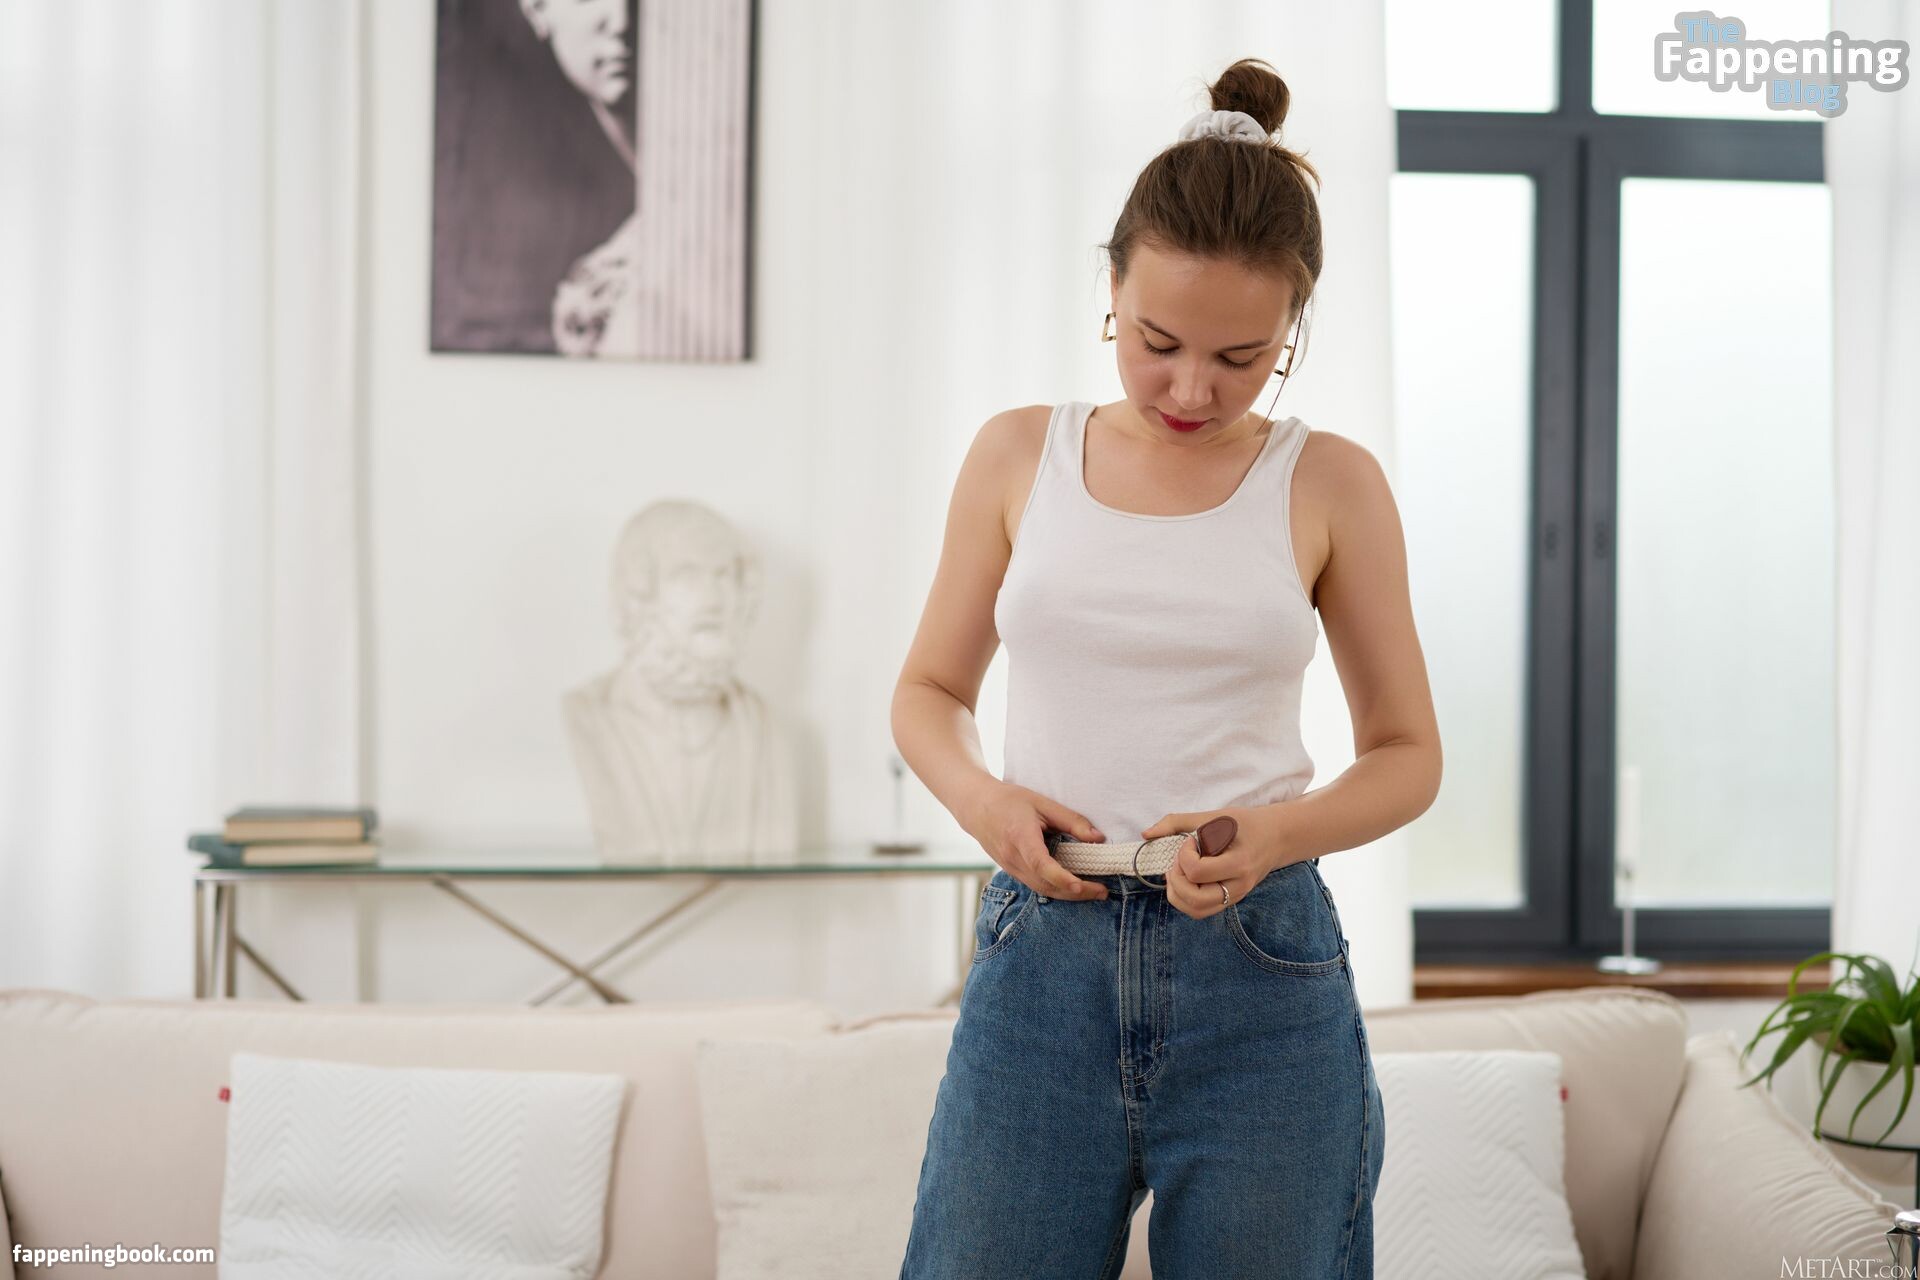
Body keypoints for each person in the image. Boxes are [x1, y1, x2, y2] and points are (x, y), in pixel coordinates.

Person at [889, 57, 1442, 1279]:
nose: (1192, 388)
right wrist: (985, 803)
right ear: (1112, 289)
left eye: (1243, 356)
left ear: (1294, 327)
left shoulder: (1331, 482)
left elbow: (1409, 756)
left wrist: (1274, 832)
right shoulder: (1015, 456)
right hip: (1043, 953)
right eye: (1157, 342)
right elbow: (927, 692)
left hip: (1261, 968)